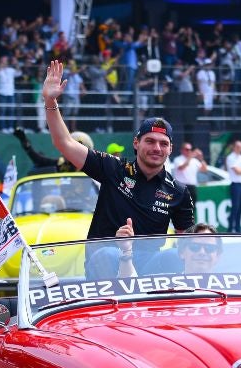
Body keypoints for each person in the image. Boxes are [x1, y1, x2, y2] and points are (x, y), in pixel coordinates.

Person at [40, 59, 194, 275]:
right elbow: (64, 143)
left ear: (170, 149)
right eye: (150, 141)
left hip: (148, 268)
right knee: (108, 254)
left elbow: (188, 245)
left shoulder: (178, 191)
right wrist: (50, 101)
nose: (156, 148)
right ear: (136, 143)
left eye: (163, 143)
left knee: (173, 256)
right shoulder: (113, 168)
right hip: (105, 260)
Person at [225, 139, 241, 233]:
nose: (240, 149)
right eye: (238, 147)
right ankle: (230, 227)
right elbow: (237, 171)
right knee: (235, 207)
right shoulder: (230, 157)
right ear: (234, 147)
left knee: (240, 207)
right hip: (235, 185)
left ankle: (238, 227)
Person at [172, 142, 207, 206]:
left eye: (190, 149)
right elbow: (181, 168)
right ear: (182, 150)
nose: (189, 151)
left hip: (192, 187)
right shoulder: (178, 159)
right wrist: (190, 157)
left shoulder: (194, 161)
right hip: (181, 187)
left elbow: (204, 170)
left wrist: (201, 158)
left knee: (192, 206)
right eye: (187, 149)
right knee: (181, 206)